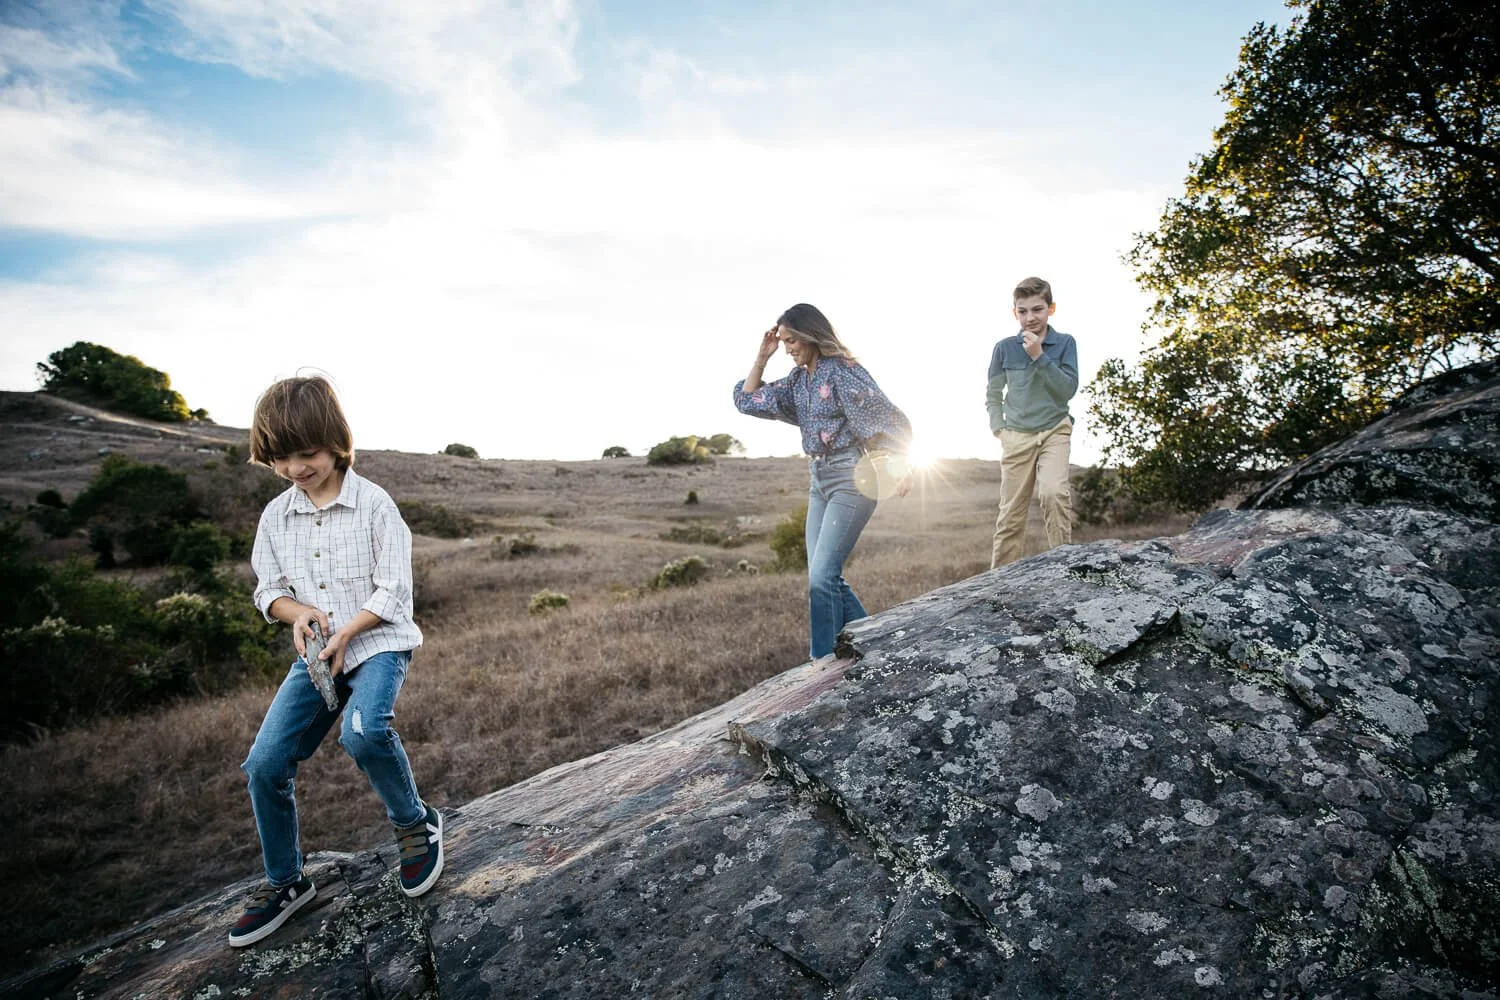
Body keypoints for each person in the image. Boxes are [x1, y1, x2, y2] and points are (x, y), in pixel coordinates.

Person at [228, 375, 443, 948]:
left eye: (308, 454)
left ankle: (415, 824)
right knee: (264, 764)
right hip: (318, 657)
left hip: (375, 645)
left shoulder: (375, 504)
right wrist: (294, 612)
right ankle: (287, 882)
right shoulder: (277, 516)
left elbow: (394, 591)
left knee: (364, 732)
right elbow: (266, 589)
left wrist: (349, 631)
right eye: (281, 458)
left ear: (336, 442)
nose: (296, 468)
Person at [734, 303, 912, 665]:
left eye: (792, 340)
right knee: (824, 576)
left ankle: (821, 663)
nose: (788, 348)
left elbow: (885, 417)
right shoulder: (799, 382)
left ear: (811, 335)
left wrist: (900, 465)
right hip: (818, 481)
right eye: (783, 342)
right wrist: (761, 358)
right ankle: (879, 648)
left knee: (822, 578)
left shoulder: (843, 372)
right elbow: (748, 400)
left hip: (851, 478)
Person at [986, 276, 1080, 569]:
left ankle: (1064, 568)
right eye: (1023, 311)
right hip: (1016, 435)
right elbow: (992, 393)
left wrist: (1039, 356)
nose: (1030, 318)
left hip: (1055, 429)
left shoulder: (1065, 343)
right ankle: (998, 583)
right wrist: (999, 428)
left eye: (1037, 309)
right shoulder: (1003, 348)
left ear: (1051, 309)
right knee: (1010, 515)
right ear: (1015, 313)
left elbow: (1067, 389)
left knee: (1054, 493)